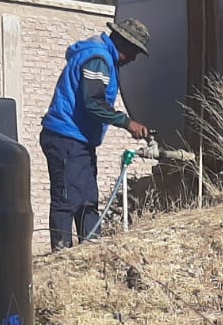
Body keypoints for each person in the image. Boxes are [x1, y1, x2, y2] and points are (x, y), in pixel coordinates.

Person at [39, 17, 151, 250]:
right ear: (123, 43)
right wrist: (127, 123)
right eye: (134, 52)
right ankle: (62, 256)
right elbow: (93, 102)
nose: (134, 59)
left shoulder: (102, 57)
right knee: (67, 198)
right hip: (66, 138)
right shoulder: (98, 59)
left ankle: (91, 250)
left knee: (87, 199)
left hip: (78, 140)